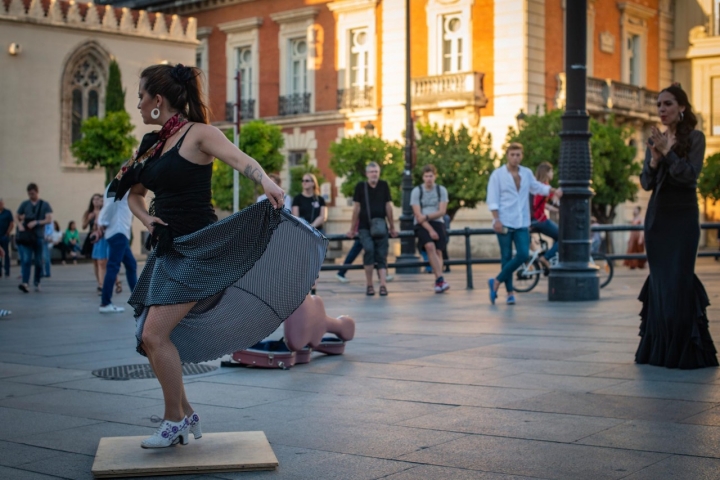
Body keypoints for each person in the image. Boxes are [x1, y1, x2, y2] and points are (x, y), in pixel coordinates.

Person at [111, 63, 324, 449]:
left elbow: (241, 160)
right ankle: (186, 413)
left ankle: (173, 419)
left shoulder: (200, 135)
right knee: (148, 338)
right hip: (168, 250)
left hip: (199, 249)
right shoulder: (154, 145)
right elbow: (133, 194)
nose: (138, 104)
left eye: (140, 96)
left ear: (158, 100)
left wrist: (267, 181)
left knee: (153, 334)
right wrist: (147, 219)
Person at [635, 83, 718, 369]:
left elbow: (689, 177)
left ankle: (685, 352)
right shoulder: (656, 140)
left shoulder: (695, 137)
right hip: (657, 219)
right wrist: (655, 160)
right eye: (659, 105)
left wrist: (669, 154)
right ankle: (657, 351)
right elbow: (646, 183)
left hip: (682, 217)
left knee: (679, 280)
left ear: (682, 107)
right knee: (660, 283)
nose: (662, 110)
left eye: (668, 104)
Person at [486, 144, 561, 305]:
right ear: (507, 155)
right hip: (504, 221)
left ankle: (496, 281)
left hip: (522, 222)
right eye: (512, 154)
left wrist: (553, 190)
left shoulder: (526, 173)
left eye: (518, 155)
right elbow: (492, 198)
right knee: (506, 257)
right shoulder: (497, 175)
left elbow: (537, 188)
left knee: (523, 255)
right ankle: (510, 293)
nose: (515, 158)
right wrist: (496, 219)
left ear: (522, 156)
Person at [346, 162, 398, 296]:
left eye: (376, 171)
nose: (374, 174)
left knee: (382, 255)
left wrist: (392, 226)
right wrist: (352, 229)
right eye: (372, 172)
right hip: (364, 227)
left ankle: (383, 285)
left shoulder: (384, 185)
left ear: (379, 173)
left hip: (381, 226)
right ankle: (369, 285)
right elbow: (356, 208)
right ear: (367, 174)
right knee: (369, 250)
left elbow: (388, 206)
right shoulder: (360, 186)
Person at [97, 185, 138, 313]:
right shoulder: (119, 184)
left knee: (131, 264)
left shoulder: (119, 185)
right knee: (113, 267)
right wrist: (103, 223)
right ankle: (105, 303)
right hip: (118, 231)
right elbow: (110, 205)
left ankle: (138, 301)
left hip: (120, 232)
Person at [411, 164, 450, 293]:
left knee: (439, 251)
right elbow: (418, 215)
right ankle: (440, 279)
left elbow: (442, 211)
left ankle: (438, 281)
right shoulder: (417, 191)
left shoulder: (441, 190)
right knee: (429, 246)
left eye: (431, 176)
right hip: (422, 224)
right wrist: (430, 230)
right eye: (426, 176)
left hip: (437, 222)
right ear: (423, 177)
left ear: (435, 176)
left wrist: (427, 216)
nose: (428, 179)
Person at [15, 183, 53, 293]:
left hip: (39, 236)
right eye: (29, 193)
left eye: (33, 193)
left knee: (38, 261)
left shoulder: (44, 204)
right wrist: (20, 225)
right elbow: (16, 215)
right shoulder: (25, 204)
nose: (31, 195)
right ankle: (25, 282)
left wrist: (36, 222)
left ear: (37, 192)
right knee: (26, 260)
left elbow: (49, 219)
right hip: (27, 236)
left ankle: (37, 281)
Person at [530, 162, 559, 271]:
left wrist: (553, 209)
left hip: (534, 220)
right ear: (547, 173)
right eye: (551, 171)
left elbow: (542, 204)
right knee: (562, 237)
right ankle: (545, 258)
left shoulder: (537, 187)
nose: (553, 174)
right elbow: (556, 200)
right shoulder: (545, 187)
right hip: (540, 220)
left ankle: (547, 257)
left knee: (556, 236)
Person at [91, 195, 110, 295]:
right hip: (95, 240)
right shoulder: (92, 213)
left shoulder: (105, 212)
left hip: (105, 239)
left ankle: (102, 285)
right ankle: (100, 282)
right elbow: (87, 225)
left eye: (102, 201)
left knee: (103, 263)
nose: (100, 202)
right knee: (96, 262)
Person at [0, 198, 14, 278]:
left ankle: (7, 271)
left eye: (1, 204)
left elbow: (11, 223)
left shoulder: (7, 212)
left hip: (4, 236)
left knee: (6, 254)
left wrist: (7, 233)